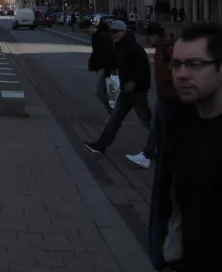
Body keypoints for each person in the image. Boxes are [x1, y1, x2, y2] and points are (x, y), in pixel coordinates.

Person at [149, 22, 222, 271]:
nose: (181, 74)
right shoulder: (177, 121)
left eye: (195, 65)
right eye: (176, 64)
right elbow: (168, 204)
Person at [84, 19, 152, 156]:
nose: (113, 35)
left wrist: (135, 83)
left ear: (123, 32)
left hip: (137, 91)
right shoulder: (118, 45)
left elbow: (145, 69)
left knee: (147, 120)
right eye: (111, 32)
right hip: (125, 90)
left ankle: (164, 142)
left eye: (115, 32)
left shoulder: (133, 48)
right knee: (114, 119)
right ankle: (100, 145)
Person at [126, 24, 177, 169]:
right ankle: (153, 154)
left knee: (158, 126)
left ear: (155, 35)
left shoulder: (167, 49)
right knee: (158, 125)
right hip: (164, 94)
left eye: (148, 35)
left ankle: (147, 155)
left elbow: (175, 72)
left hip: (170, 95)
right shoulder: (160, 49)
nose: (146, 39)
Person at [81, 17, 118, 114]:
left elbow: (108, 54)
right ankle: (114, 113)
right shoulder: (96, 36)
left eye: (86, 31)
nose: (86, 33)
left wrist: (108, 69)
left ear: (90, 27)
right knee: (109, 92)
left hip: (108, 68)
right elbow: (96, 53)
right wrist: (92, 63)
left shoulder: (102, 36)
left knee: (102, 92)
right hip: (103, 67)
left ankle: (113, 114)